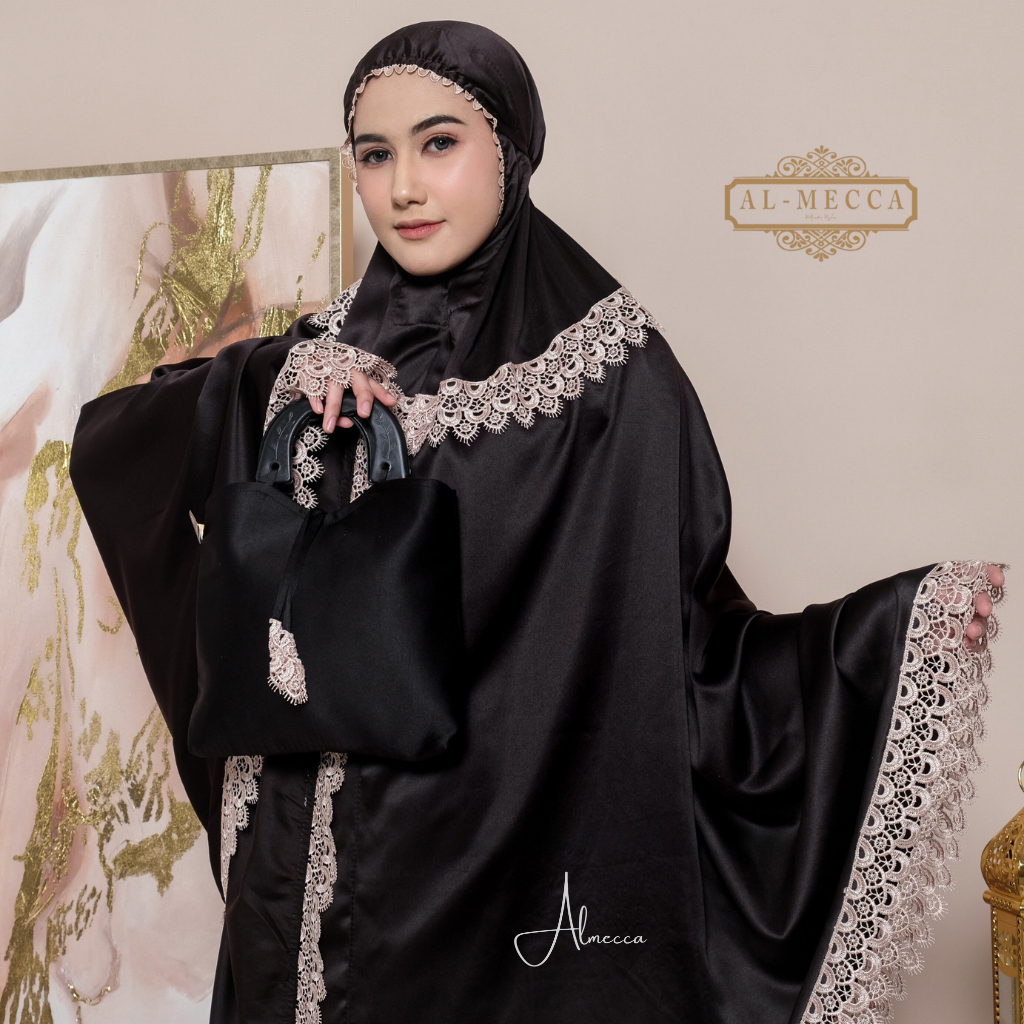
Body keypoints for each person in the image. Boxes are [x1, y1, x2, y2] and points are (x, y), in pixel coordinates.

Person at [69, 21, 1005, 1024]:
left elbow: (686, 647)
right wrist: (271, 372)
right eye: (374, 155)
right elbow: (116, 443)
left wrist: (900, 634)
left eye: (438, 144)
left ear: (510, 151)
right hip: (298, 887)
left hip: (502, 882)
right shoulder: (325, 347)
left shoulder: (610, 378)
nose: (404, 187)